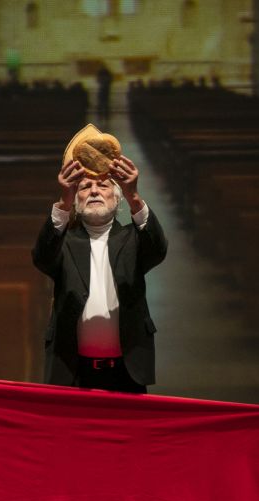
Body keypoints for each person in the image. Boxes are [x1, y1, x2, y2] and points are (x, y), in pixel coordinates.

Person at [32, 151, 167, 393]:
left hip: (127, 372)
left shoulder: (132, 238)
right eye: (84, 187)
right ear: (76, 199)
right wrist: (63, 201)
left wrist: (134, 195)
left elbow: (157, 249)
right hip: (73, 371)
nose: (94, 191)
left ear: (117, 199)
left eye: (103, 185)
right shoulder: (64, 241)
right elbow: (42, 258)